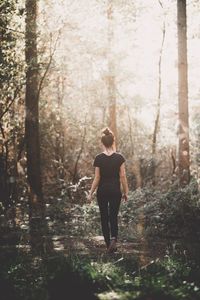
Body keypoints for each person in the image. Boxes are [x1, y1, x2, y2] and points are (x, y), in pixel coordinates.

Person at [88, 127, 129, 253]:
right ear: (113, 142)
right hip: (115, 191)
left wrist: (91, 193)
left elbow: (97, 177)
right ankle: (113, 239)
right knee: (113, 217)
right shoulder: (119, 157)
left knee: (104, 217)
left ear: (102, 143)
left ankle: (108, 244)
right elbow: (122, 176)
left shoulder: (99, 158)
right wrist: (126, 192)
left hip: (102, 191)